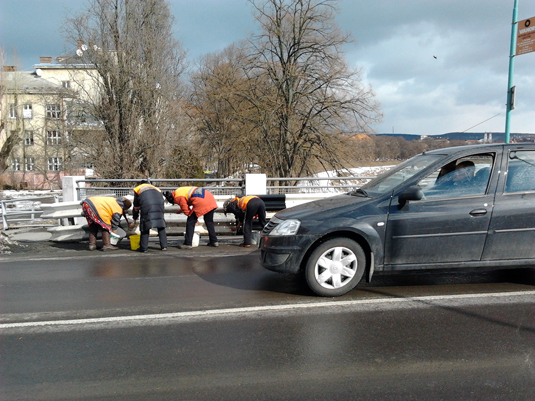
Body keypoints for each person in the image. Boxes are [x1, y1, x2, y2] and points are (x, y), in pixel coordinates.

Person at [132, 181, 167, 252]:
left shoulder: (138, 188)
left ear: (140, 184)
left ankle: (144, 248)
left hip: (147, 205)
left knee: (145, 225)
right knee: (160, 224)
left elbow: (136, 205)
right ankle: (164, 246)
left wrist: (135, 217)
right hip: (160, 204)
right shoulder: (156, 188)